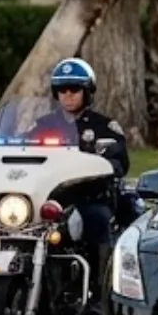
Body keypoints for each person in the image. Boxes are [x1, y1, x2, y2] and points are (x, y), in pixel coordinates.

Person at [47, 57, 129, 302]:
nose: (68, 95)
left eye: (75, 89)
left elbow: (120, 161)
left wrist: (108, 163)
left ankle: (99, 292)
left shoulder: (104, 126)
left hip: (88, 197)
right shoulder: (44, 125)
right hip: (52, 198)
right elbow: (22, 150)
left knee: (97, 220)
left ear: (87, 92)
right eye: (63, 90)